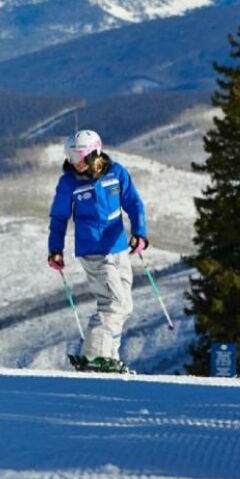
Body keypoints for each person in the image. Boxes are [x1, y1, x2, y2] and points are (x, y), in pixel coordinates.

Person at [47, 129, 148, 373]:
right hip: (93, 250)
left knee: (124, 306)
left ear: (95, 153)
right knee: (113, 302)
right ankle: (94, 356)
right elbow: (59, 218)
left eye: (79, 156)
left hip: (119, 247)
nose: (74, 162)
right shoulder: (69, 182)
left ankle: (109, 357)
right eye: (70, 156)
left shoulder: (116, 173)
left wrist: (140, 233)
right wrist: (55, 249)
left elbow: (134, 203)